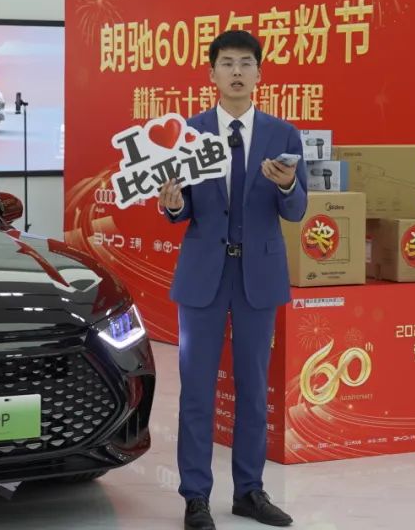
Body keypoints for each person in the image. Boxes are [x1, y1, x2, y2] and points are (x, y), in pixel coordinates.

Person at [157, 30, 307, 529]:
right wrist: (172, 204)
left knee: (253, 388)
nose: (237, 71)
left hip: (257, 276)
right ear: (212, 73)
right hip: (203, 275)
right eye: (227, 63)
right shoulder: (189, 134)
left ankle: (249, 491)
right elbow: (180, 208)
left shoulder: (283, 135)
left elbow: (297, 209)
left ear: (259, 73)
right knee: (197, 391)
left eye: (246, 63)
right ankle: (195, 496)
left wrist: (288, 185)